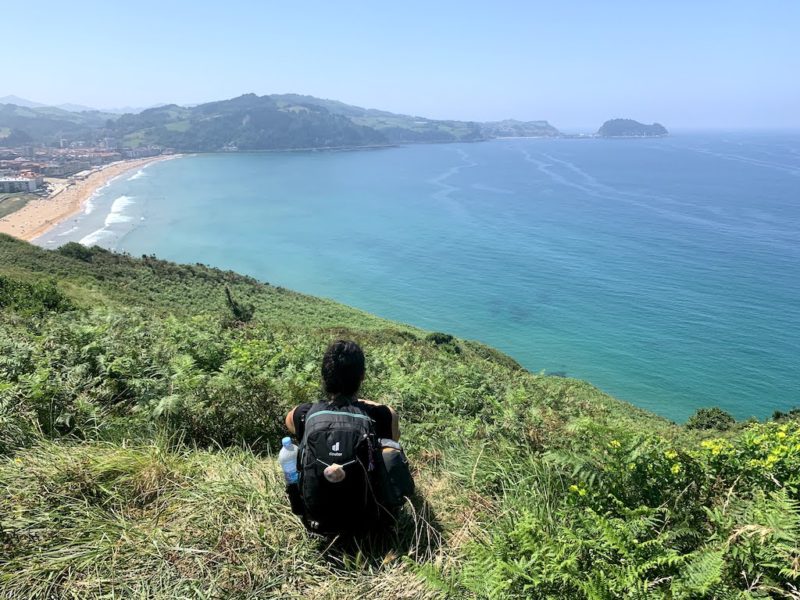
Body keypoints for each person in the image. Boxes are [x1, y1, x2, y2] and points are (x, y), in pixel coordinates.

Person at [284, 340, 413, 535]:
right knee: (391, 452)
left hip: (316, 518)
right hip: (371, 520)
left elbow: (290, 425)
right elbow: (393, 439)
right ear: (362, 376)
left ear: (324, 376)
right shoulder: (384, 415)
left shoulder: (303, 413)